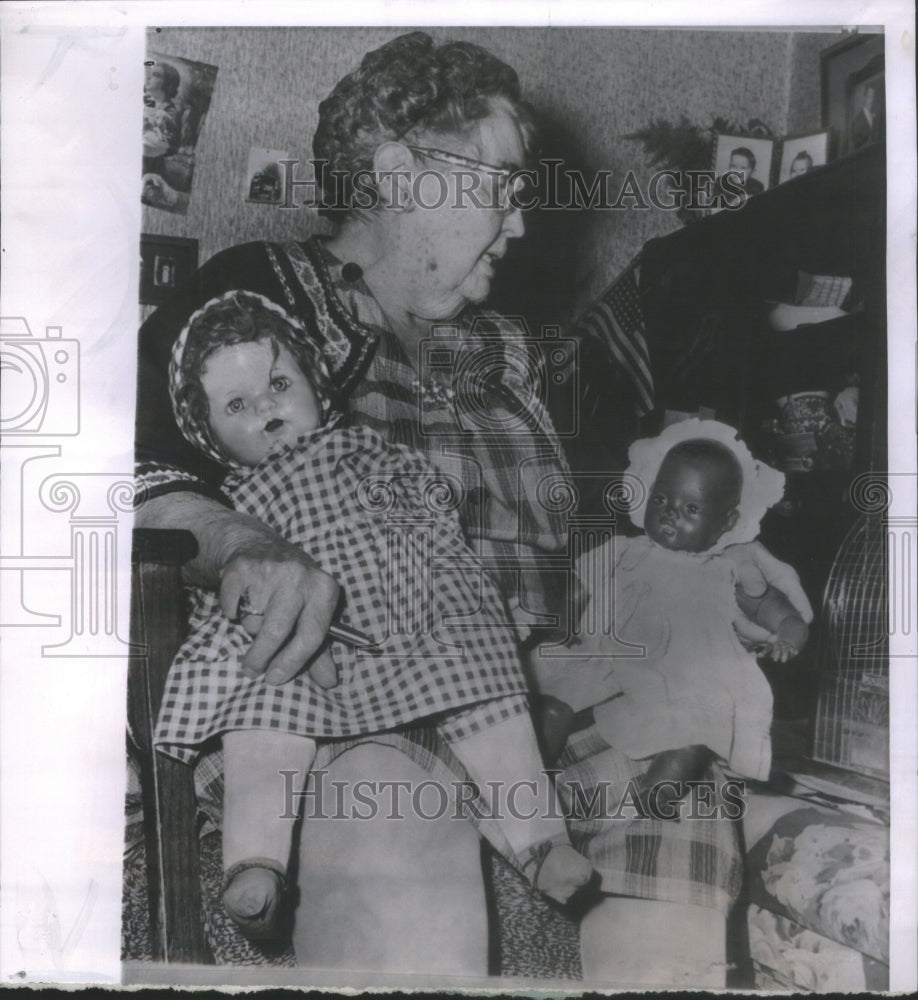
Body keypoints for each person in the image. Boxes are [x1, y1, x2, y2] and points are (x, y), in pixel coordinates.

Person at [135, 30, 813, 982]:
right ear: (402, 172)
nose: (525, 225)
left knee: (690, 813)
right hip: (349, 699)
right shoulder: (263, 297)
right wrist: (242, 541)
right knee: (394, 795)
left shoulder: (518, 351)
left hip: (535, 703)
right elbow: (136, 473)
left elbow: (629, 537)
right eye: (504, 187)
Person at [157, 289, 592, 938]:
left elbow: (433, 513)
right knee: (261, 718)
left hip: (407, 607)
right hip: (302, 641)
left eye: (279, 382)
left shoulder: (370, 450)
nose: (268, 407)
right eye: (237, 406)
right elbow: (222, 584)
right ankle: (256, 861)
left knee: (487, 688)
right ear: (208, 435)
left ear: (315, 385)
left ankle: (540, 841)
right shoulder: (233, 505)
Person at [533, 420, 809, 815]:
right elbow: (580, 584)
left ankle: (658, 792)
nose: (669, 515)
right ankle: (527, 775)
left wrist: (788, 635)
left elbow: (776, 610)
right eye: (661, 500)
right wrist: (563, 627)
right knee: (553, 703)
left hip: (678, 672)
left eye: (690, 508)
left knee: (693, 733)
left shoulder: (725, 568)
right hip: (608, 653)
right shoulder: (623, 550)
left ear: (727, 522)